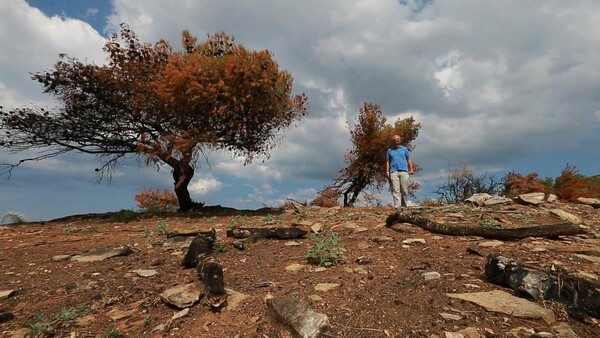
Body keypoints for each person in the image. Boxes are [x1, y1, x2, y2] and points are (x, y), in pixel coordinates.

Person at [385, 134, 414, 210]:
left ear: (400, 141)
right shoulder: (389, 150)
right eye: (395, 141)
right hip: (393, 171)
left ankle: (404, 206)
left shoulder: (404, 149)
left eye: (397, 141)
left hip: (404, 171)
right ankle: (397, 207)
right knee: (396, 190)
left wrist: (411, 169)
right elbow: (387, 161)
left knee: (404, 190)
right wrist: (387, 172)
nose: (396, 142)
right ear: (392, 141)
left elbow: (409, 159)